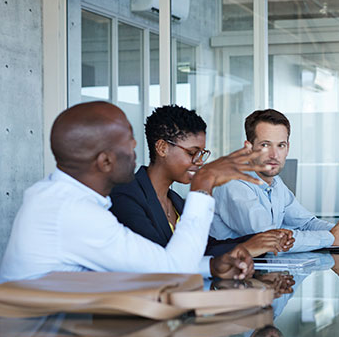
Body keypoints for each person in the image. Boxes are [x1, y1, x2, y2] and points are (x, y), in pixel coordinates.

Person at [0, 101, 269, 285]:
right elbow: (169, 271)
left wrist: (211, 267)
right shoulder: (72, 212)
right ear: (104, 161)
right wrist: (204, 184)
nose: (136, 150)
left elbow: (157, 265)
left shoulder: (57, 199)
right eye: (128, 143)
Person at [109, 105, 294, 257]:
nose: (199, 162)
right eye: (192, 153)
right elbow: (161, 261)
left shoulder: (175, 201)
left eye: (202, 154)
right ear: (162, 148)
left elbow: (205, 248)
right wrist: (202, 184)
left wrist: (260, 241)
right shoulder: (126, 197)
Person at [210, 109, 339, 252]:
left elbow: (305, 222)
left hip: (264, 271)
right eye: (265, 145)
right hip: (232, 275)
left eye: (280, 145)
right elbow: (270, 238)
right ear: (248, 148)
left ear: (287, 148)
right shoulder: (234, 184)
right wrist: (332, 237)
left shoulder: (275, 183)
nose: (274, 155)